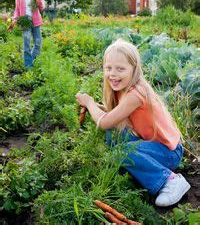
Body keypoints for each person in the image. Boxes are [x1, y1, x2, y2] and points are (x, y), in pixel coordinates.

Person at [76, 39, 191, 207]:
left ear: (134, 69)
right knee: (115, 136)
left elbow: (104, 123)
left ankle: (170, 180)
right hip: (152, 147)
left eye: (120, 69)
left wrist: (89, 102)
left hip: (168, 153)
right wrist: (98, 108)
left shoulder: (136, 93)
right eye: (108, 68)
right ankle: (138, 168)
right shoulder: (123, 89)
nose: (113, 74)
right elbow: (111, 118)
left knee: (119, 151)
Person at [12, 0, 45, 68]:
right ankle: (28, 66)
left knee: (38, 43)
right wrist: (15, 19)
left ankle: (31, 60)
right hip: (25, 21)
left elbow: (42, 7)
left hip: (36, 21)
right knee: (26, 45)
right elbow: (17, 10)